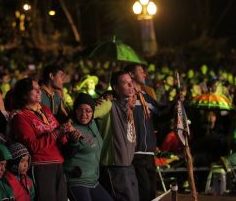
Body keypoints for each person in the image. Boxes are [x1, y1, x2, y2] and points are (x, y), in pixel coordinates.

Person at [10, 77, 73, 201]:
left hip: (59, 163)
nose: (39, 92)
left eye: (39, 89)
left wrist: (67, 133)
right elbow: (33, 146)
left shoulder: (45, 109)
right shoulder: (21, 117)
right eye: (34, 90)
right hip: (42, 165)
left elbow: (59, 135)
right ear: (24, 94)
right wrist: (57, 132)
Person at [125, 64, 175, 201]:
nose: (145, 74)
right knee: (144, 192)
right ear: (131, 74)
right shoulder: (125, 97)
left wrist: (175, 104)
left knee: (151, 192)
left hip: (149, 153)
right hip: (136, 152)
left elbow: (160, 114)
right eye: (141, 72)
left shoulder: (146, 96)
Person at [97, 71, 139, 201]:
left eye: (131, 81)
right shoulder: (108, 104)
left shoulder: (129, 106)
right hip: (114, 167)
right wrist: (95, 101)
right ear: (115, 88)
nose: (131, 84)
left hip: (128, 165)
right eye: (125, 83)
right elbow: (83, 112)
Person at [63, 93, 113, 201]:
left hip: (93, 181)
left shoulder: (92, 123)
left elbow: (102, 104)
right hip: (77, 181)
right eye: (80, 110)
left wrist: (97, 99)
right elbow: (66, 153)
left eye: (88, 111)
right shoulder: (71, 127)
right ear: (75, 110)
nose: (84, 114)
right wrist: (73, 142)